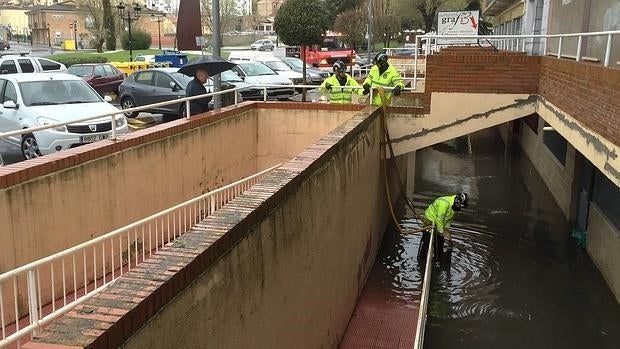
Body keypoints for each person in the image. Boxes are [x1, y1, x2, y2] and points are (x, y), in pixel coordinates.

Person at [417, 193, 469, 262]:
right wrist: (441, 232)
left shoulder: (453, 207)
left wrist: (446, 231)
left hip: (439, 224)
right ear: (458, 202)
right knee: (427, 240)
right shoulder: (444, 203)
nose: (460, 208)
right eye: (460, 206)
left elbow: (449, 220)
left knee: (440, 240)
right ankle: (422, 258)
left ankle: (438, 257)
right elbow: (440, 218)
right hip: (430, 221)